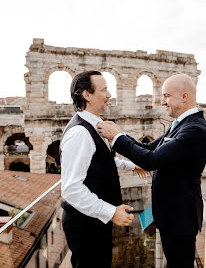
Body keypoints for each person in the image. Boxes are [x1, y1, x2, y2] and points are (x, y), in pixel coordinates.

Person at [97, 73, 206, 268]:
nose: (162, 102)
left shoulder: (195, 130)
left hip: (180, 217)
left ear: (184, 96)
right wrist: (121, 134)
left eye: (167, 96)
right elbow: (150, 148)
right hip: (171, 215)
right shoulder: (179, 125)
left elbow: (150, 160)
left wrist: (117, 138)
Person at [60, 70, 148, 268]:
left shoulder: (95, 125)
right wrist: (111, 212)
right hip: (85, 224)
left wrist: (132, 165)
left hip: (94, 219)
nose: (109, 95)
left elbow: (101, 161)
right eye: (104, 89)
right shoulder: (80, 133)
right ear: (87, 95)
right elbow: (71, 189)